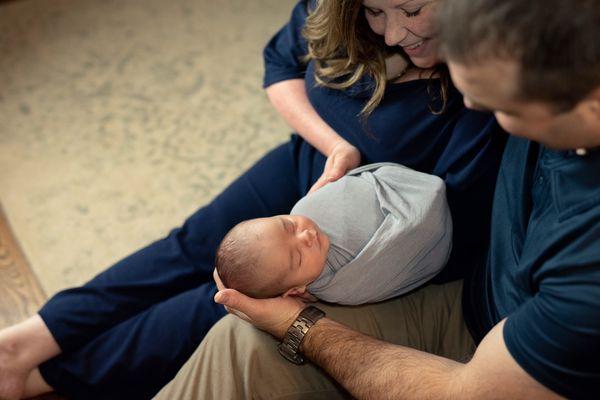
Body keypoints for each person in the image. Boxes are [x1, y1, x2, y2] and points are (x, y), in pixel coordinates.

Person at [0, 0, 505, 398]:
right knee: (190, 244)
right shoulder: (340, 14)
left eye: (412, 11)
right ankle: (27, 340)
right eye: (375, 11)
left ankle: (53, 376)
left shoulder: (483, 96)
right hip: (311, 160)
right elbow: (279, 65)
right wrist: (336, 148)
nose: (391, 33)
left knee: (220, 303)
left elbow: (446, 234)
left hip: (347, 243)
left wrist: (339, 279)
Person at [154, 0, 600, 399]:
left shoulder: (587, 266)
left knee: (247, 334)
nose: (476, 109)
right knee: (224, 318)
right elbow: (284, 58)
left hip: (485, 346)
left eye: (507, 108)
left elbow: (470, 391)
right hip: (485, 281)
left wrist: (298, 326)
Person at [217, 163, 452, 304]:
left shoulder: (303, 208)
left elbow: (354, 181)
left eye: (288, 226)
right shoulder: (337, 286)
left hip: (403, 188)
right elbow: (390, 274)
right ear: (297, 290)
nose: (305, 236)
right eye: (298, 257)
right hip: (427, 231)